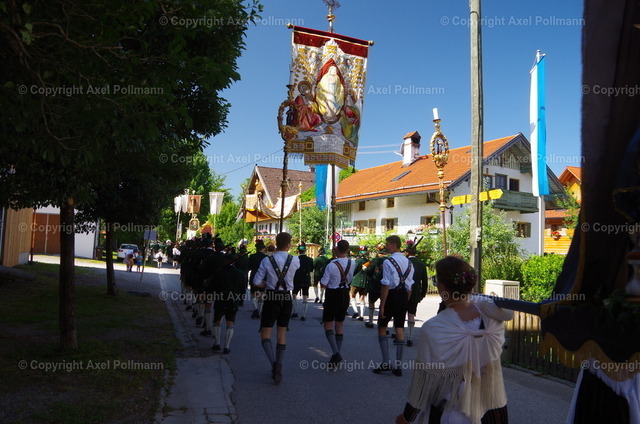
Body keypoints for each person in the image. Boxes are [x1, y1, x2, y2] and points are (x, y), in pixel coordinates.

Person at [395, 256, 512, 424]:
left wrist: (407, 417)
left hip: (453, 411)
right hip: (493, 409)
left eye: (436, 280)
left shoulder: (435, 327)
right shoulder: (492, 318)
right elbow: (482, 305)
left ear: (442, 286)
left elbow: (425, 382)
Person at [252, 232, 300, 384]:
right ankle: (279, 363)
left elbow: (256, 281)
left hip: (272, 297)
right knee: (282, 333)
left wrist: (267, 284)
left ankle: (273, 363)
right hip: (286, 297)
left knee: (265, 333)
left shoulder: (267, 260)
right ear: (288, 245)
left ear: (276, 243)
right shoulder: (295, 260)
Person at [373, 235, 414, 377]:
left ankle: (386, 362)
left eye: (387, 244)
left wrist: (382, 305)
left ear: (393, 245)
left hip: (391, 295)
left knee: (382, 327)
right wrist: (406, 302)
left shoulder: (388, 261)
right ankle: (399, 366)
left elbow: (385, 284)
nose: (385, 246)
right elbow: (409, 287)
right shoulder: (409, 263)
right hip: (403, 296)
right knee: (399, 328)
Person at [320, 240, 355, 370]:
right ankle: (337, 355)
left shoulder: (331, 265)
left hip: (333, 294)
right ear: (347, 250)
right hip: (345, 294)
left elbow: (323, 284)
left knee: (328, 324)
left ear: (336, 249)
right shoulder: (353, 263)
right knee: (340, 325)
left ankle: (336, 353)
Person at [210, 252, 246, 354]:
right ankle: (226, 346)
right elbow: (243, 289)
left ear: (226, 260)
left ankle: (217, 343)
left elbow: (213, 287)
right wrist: (240, 300)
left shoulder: (219, 272)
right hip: (233, 299)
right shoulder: (240, 273)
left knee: (217, 321)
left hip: (220, 298)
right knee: (230, 323)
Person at [405, 240, 429, 347]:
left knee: (400, 313)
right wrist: (422, 294)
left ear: (407, 252)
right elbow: (425, 281)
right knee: (411, 314)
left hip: (403, 291)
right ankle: (410, 337)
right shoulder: (421, 264)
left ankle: (397, 333)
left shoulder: (404, 262)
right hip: (415, 292)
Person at [364, 243, 387, 328]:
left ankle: (370, 322)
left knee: (371, 302)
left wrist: (365, 269)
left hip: (375, 284)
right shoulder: (390, 260)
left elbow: (369, 271)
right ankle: (383, 324)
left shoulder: (376, 260)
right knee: (384, 304)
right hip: (386, 285)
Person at [291, 243, 314, 321]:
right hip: (306, 279)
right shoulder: (310, 260)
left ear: (298, 251)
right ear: (305, 251)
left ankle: (295, 312)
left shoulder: (295, 259)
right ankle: (303, 315)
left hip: (297, 279)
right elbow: (311, 270)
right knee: (305, 296)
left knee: (294, 295)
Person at [349, 245, 369, 320]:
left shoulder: (357, 261)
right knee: (362, 298)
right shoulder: (368, 261)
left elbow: (353, 270)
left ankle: (356, 311)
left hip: (356, 281)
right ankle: (362, 315)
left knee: (352, 296)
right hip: (365, 282)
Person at [248, 240, 267, 319]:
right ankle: (260, 311)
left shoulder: (252, 256)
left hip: (254, 275)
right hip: (263, 277)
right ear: (263, 248)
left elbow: (249, 267)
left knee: (253, 293)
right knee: (261, 294)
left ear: (256, 248)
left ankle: (255, 309)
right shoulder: (266, 257)